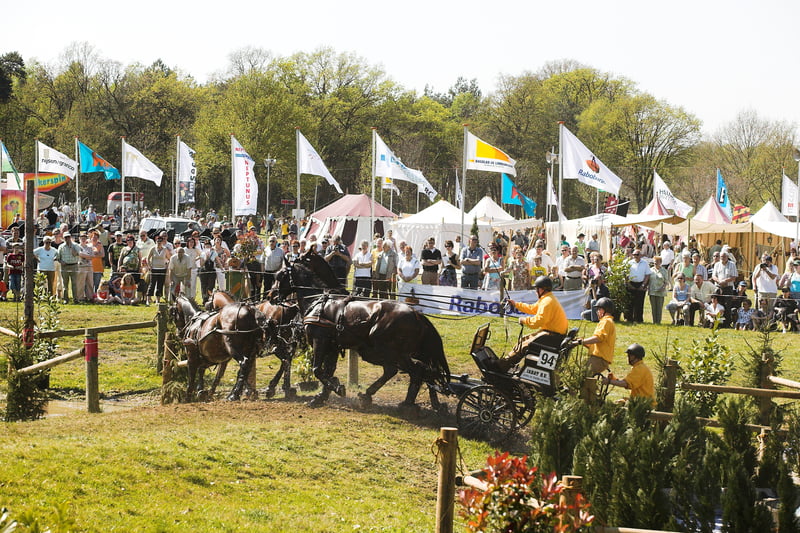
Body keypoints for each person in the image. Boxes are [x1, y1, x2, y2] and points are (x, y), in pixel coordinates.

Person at [501, 276, 569, 369]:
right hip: (552, 333)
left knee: (525, 345)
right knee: (523, 340)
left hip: (553, 336)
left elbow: (537, 322)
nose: (536, 291)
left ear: (544, 289)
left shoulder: (547, 302)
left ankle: (503, 365)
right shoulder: (546, 298)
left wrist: (524, 320)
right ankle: (507, 363)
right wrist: (516, 304)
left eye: (537, 289)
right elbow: (532, 308)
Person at [573, 297, 616, 375]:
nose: (597, 312)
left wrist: (581, 341)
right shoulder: (607, 321)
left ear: (603, 310)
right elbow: (597, 343)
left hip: (599, 359)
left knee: (582, 375)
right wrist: (581, 341)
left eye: (598, 309)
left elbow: (598, 338)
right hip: (599, 358)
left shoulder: (606, 321)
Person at [56, 232, 81, 304]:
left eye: (68, 237)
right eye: (65, 237)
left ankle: (75, 299)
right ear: (63, 238)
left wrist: (74, 251)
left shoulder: (76, 245)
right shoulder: (61, 246)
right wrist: (61, 261)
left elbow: (79, 253)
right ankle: (66, 299)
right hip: (64, 266)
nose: (67, 239)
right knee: (65, 284)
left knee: (74, 283)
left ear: (70, 237)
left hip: (74, 265)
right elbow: (58, 257)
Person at [626, 249, 650, 323]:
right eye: (634, 255)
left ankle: (638, 319)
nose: (635, 256)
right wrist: (629, 284)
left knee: (639, 303)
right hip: (631, 283)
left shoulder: (645, 263)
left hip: (641, 283)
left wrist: (643, 285)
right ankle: (629, 318)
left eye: (637, 255)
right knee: (630, 303)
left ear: (640, 255)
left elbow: (647, 275)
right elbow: (626, 275)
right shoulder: (629, 263)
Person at [648, 255, 671, 324]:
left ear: (660, 262)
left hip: (661, 292)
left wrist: (663, 287)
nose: (655, 263)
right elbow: (648, 280)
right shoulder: (650, 270)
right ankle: (654, 321)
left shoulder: (664, 271)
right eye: (654, 262)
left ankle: (658, 321)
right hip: (652, 291)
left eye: (657, 262)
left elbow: (666, 281)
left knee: (659, 308)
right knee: (653, 308)